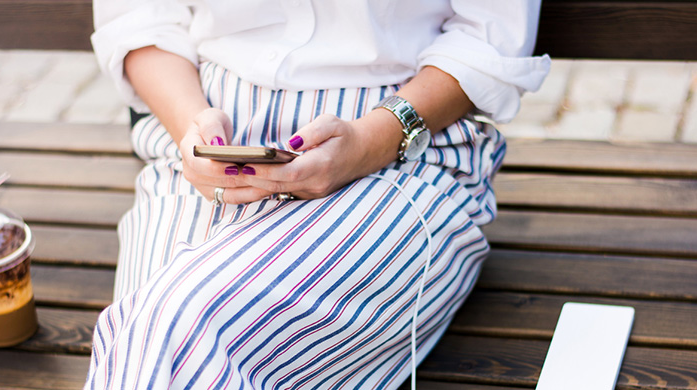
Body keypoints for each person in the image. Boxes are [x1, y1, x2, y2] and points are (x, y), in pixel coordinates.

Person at [84, 1, 550, 389]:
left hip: (398, 147)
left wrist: (371, 141)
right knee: (145, 342)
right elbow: (141, 17)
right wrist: (191, 129)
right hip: (206, 136)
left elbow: (488, 37)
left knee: (172, 329)